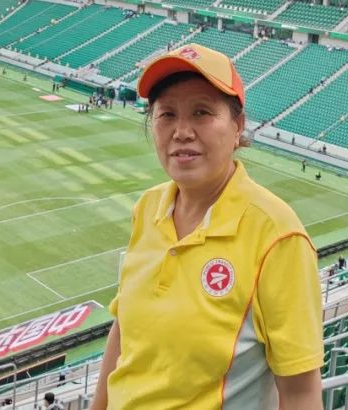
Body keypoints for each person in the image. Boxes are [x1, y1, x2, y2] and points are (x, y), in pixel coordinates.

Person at [90, 43, 323, 410]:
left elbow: (300, 392)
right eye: (167, 114)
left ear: (238, 126)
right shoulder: (148, 208)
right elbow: (124, 332)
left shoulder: (277, 235)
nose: (182, 131)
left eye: (202, 112)